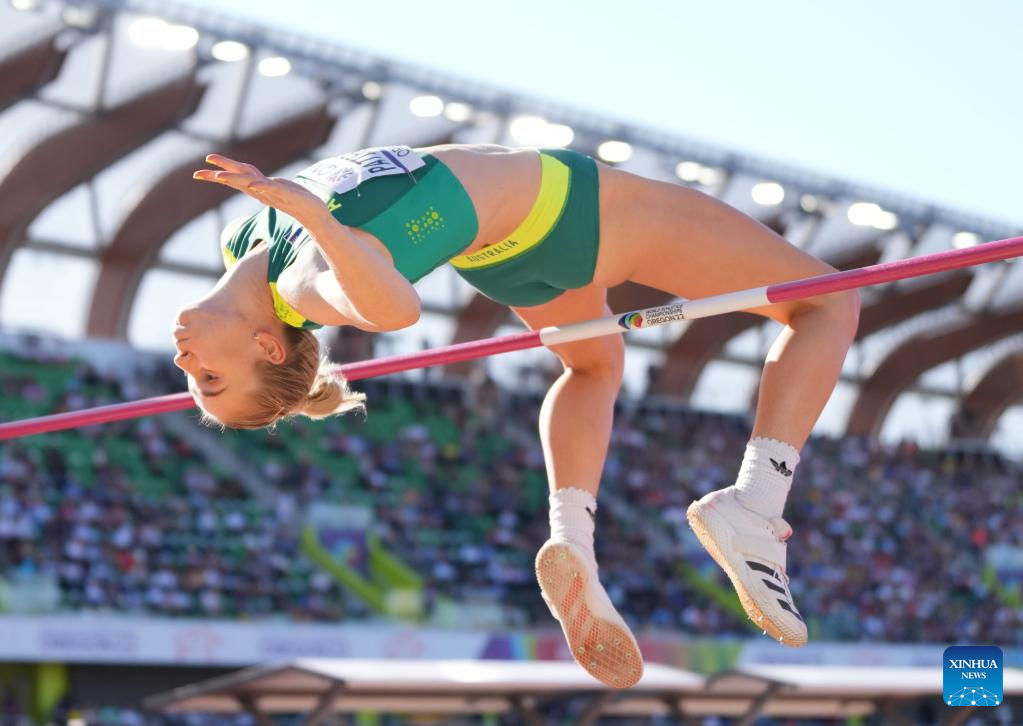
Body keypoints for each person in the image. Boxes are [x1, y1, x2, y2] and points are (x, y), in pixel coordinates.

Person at [176, 144, 859, 688]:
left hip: (506, 251)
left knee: (590, 365)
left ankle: (574, 543)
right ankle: (757, 503)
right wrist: (318, 218)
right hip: (569, 210)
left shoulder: (245, 242)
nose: (186, 367)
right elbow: (391, 310)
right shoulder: (302, 286)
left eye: (197, 381)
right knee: (827, 301)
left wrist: (300, 210)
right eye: (212, 378)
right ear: (267, 347)